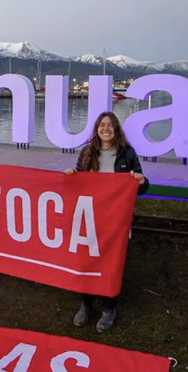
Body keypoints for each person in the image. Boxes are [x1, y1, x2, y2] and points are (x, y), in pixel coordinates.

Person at [64, 111, 149, 333]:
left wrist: (140, 181)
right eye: (102, 125)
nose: (106, 128)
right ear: (97, 128)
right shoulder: (87, 152)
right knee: (86, 260)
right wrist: (72, 176)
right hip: (89, 218)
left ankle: (109, 308)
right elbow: (78, 185)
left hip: (116, 219)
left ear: (116, 129)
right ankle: (86, 304)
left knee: (110, 264)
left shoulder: (127, 154)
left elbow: (141, 186)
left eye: (110, 125)